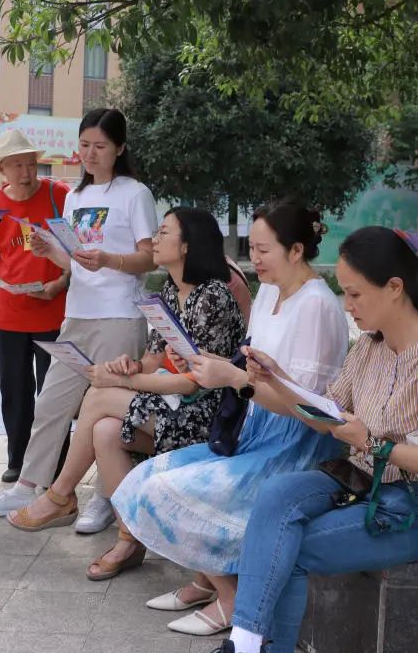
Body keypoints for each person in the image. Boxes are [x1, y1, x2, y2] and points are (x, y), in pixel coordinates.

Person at [205, 226, 418, 653]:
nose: (347, 305)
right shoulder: (371, 347)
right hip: (362, 479)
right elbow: (326, 416)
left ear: (395, 288)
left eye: (355, 294)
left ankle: (250, 646)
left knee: (291, 550)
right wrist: (276, 379)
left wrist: (372, 442)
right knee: (277, 493)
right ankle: (244, 642)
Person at [111, 199, 350, 636]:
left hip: (295, 443)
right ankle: (209, 584)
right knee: (144, 479)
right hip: (253, 428)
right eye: (250, 248)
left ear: (296, 250)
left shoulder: (316, 305)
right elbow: (253, 370)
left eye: (263, 250)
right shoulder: (270, 291)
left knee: (165, 490)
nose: (253, 259)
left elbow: (307, 407)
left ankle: (230, 599)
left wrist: (233, 377)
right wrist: (219, 367)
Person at [6, 208, 246, 561]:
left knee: (100, 395)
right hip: (178, 407)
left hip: (209, 415)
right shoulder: (170, 290)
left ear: (187, 246)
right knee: (104, 431)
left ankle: (60, 495)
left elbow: (195, 384)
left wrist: (124, 379)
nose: (155, 240)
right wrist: (130, 366)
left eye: (164, 233)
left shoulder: (213, 296)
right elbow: (152, 359)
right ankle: (129, 538)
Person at [0, 108, 157, 535]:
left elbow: (150, 258)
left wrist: (109, 259)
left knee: (109, 413)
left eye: (100, 146)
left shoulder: (135, 194)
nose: (90, 154)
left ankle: (106, 498)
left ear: (120, 148)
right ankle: (28, 486)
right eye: (84, 145)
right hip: (76, 315)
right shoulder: (75, 197)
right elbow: (75, 260)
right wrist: (51, 251)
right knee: (52, 403)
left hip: (118, 316)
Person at [0, 129, 71, 484]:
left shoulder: (59, 195)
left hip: (54, 313)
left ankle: (55, 465)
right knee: (15, 393)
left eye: (31, 164)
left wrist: (62, 282)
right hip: (9, 316)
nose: (27, 172)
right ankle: (18, 460)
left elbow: (78, 250)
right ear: (2, 170)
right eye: (17, 166)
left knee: (54, 395)